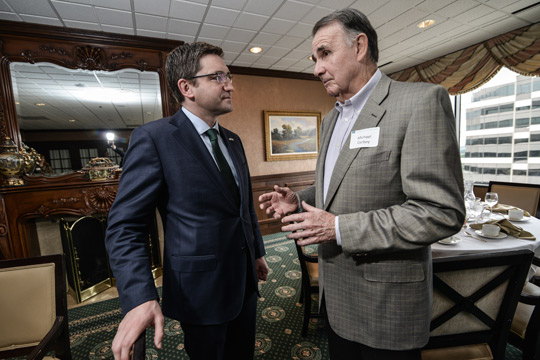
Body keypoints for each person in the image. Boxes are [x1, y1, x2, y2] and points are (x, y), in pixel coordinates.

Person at [259, 8, 465, 359]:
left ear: (359, 46)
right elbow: (338, 187)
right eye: (314, 58)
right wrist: (300, 198)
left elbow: (440, 212)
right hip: (337, 300)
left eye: (325, 53)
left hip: (386, 305)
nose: (316, 68)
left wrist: (338, 228)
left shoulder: (419, 103)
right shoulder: (331, 119)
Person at [105, 42, 269, 360]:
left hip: (244, 279)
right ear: (186, 87)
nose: (230, 85)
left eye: (229, 76)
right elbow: (125, 226)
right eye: (218, 77)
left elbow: (244, 207)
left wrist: (258, 252)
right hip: (200, 290)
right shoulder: (154, 138)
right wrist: (139, 297)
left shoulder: (233, 141)